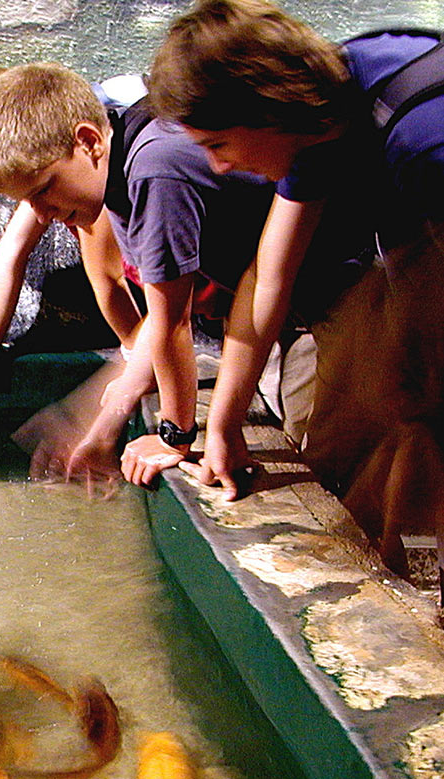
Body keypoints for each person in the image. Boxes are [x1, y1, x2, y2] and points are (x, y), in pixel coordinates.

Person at [147, 0, 444, 506]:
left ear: (263, 109)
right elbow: (269, 276)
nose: (218, 168)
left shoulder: (423, 138)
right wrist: (224, 425)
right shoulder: (319, 120)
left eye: (218, 144)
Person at [0, 61, 294, 489]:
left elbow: (173, 322)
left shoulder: (152, 170)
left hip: (335, 289)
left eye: (43, 190)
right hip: (277, 301)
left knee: (333, 446)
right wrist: (109, 415)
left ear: (88, 141)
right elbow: (159, 319)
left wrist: (174, 436)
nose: (42, 215)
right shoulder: (122, 166)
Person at [0, 64, 145, 396]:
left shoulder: (85, 178)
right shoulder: (40, 178)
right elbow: (11, 252)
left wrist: (137, 369)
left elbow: (109, 281)